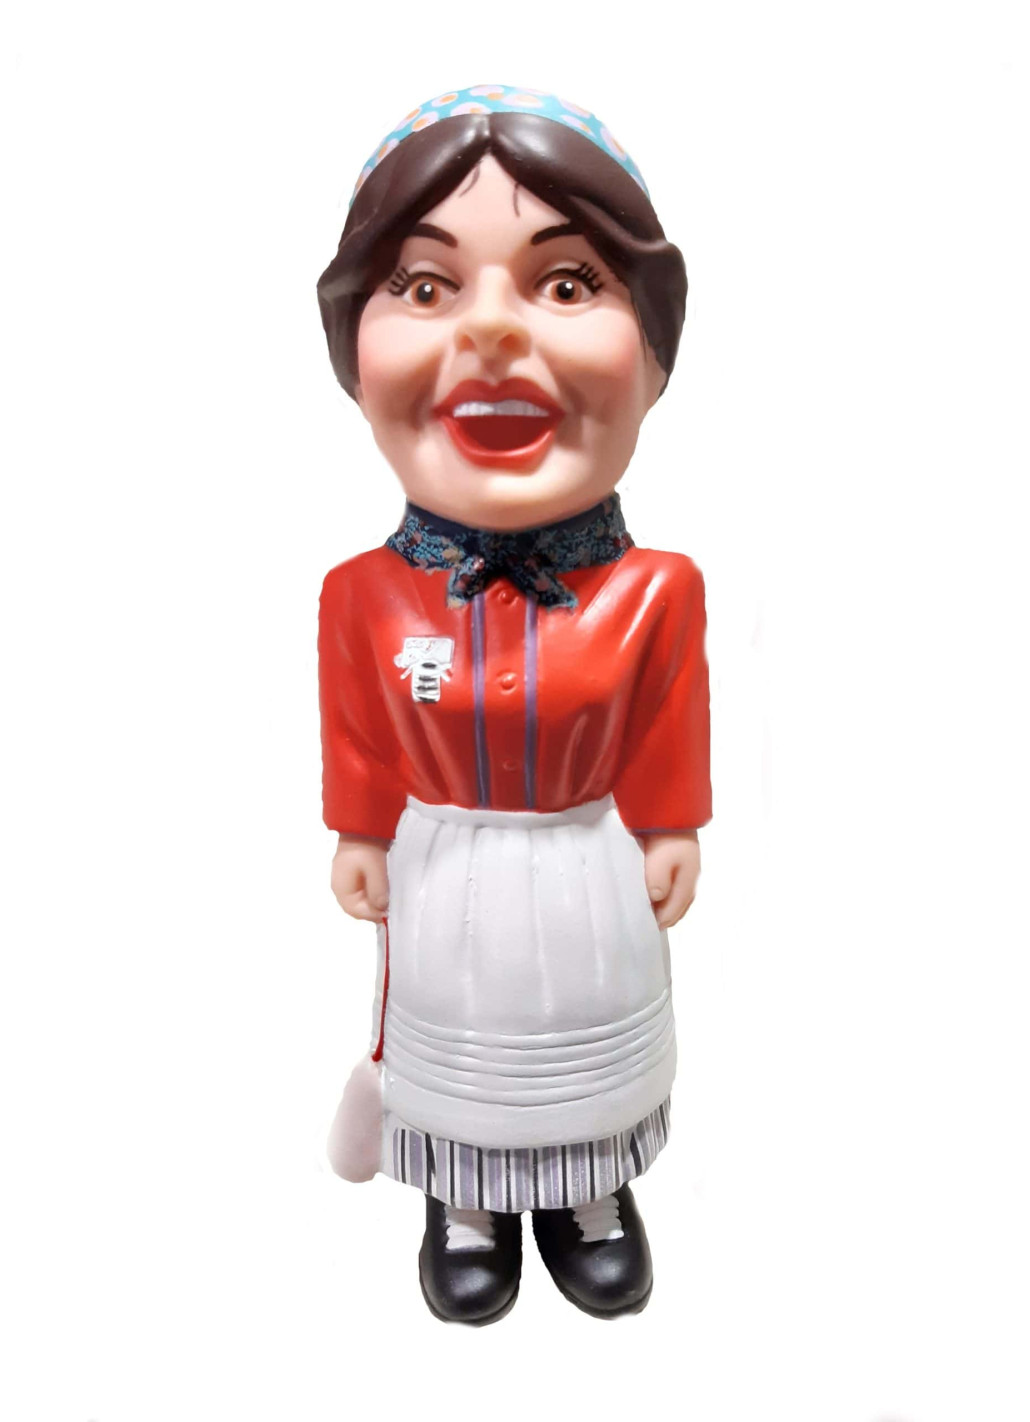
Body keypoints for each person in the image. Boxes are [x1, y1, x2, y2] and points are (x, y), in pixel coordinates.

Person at [316, 85, 710, 1324]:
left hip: (586, 857)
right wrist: (360, 830)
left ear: (652, 348)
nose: (490, 328)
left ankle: (589, 1192)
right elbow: (358, 729)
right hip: (444, 867)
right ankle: (466, 1202)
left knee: (588, 1021)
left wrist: (669, 826)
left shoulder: (654, 591)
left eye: (566, 282)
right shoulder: (362, 597)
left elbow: (666, 720)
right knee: (455, 1031)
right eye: (426, 285)